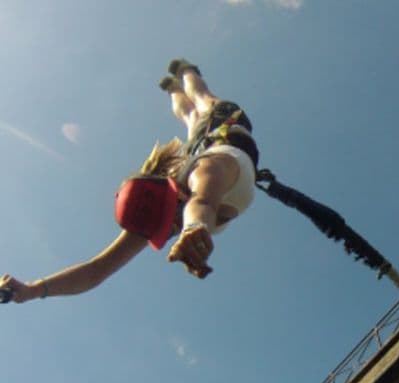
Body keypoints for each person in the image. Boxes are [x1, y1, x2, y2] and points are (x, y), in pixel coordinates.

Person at [1, 59, 259, 303]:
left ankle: (185, 71)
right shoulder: (153, 218)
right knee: (189, 118)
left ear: (177, 195)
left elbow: (203, 201)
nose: (173, 226)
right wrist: (34, 289)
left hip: (223, 126)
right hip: (199, 146)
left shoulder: (207, 170)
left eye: (173, 216)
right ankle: (172, 89)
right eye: (166, 225)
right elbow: (97, 270)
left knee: (202, 101)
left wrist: (193, 227)